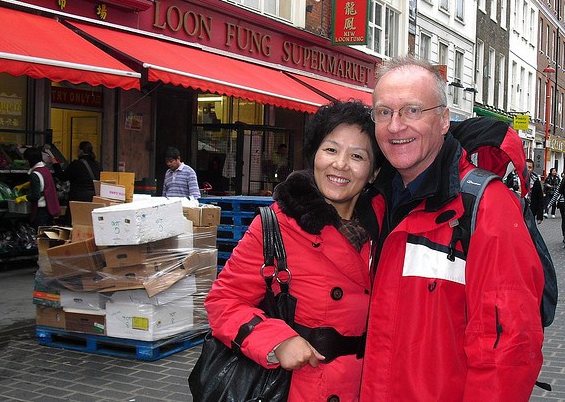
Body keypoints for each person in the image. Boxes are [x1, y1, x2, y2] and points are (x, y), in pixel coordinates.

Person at [357, 56, 544, 400]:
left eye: (412, 110)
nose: (396, 126)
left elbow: (508, 348)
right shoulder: (373, 203)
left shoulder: (486, 206)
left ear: (443, 120)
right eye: (384, 112)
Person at [204, 100, 382, 401]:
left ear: (374, 172)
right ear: (314, 155)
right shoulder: (276, 225)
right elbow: (223, 301)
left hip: (370, 387)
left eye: (357, 156)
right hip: (301, 387)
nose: (340, 164)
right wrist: (276, 341)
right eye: (331, 150)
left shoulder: (387, 227)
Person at [52, 141, 101, 220]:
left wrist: (55, 164)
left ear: (81, 151)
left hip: (77, 198)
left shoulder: (76, 164)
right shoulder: (98, 165)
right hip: (93, 197)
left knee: (74, 220)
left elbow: (63, 177)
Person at [15, 146, 61, 229]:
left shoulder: (34, 174)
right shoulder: (45, 170)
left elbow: (36, 196)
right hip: (49, 209)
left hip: (41, 211)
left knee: (39, 235)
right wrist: (24, 185)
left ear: (30, 160)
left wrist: (23, 198)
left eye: (26, 159)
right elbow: (43, 182)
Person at [525, 158, 544, 224]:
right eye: (526, 167)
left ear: (532, 169)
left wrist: (540, 216)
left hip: (531, 210)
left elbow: (540, 199)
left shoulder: (536, 181)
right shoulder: (515, 179)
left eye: (530, 167)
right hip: (517, 210)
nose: (527, 169)